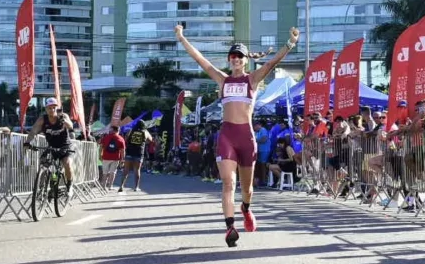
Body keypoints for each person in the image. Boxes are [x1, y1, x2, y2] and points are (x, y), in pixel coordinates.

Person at [176, 24, 300, 247]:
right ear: (229, 59)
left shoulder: (252, 80)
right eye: (233, 56)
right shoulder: (222, 80)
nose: (236, 59)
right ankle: (230, 226)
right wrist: (181, 37)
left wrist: (290, 43)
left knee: (247, 188)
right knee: (227, 183)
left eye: (240, 56)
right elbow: (200, 59)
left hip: (246, 138)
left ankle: (246, 209)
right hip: (227, 136)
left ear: (245, 60)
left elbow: (273, 63)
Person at [24, 97, 76, 187]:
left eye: (54, 107)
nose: (52, 109)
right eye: (49, 108)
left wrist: (64, 121)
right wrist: (27, 142)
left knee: (67, 163)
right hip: (52, 146)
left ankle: (69, 185)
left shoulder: (63, 116)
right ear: (46, 109)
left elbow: (71, 126)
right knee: (43, 162)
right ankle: (41, 188)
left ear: (57, 108)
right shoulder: (42, 120)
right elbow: (33, 131)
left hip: (65, 146)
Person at [117, 119, 153, 192]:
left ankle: (121, 186)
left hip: (130, 152)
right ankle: (136, 187)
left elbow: (126, 139)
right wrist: (144, 142)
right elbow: (151, 140)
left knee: (126, 170)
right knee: (137, 170)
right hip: (139, 153)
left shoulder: (131, 130)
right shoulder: (145, 132)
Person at [99, 125, 125, 190]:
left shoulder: (105, 137)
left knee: (105, 172)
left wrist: (100, 155)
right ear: (118, 131)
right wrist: (122, 160)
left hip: (106, 157)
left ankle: (103, 186)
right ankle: (110, 186)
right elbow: (122, 151)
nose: (109, 130)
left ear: (113, 130)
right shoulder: (121, 138)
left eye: (110, 129)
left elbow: (101, 147)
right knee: (113, 172)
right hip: (115, 158)